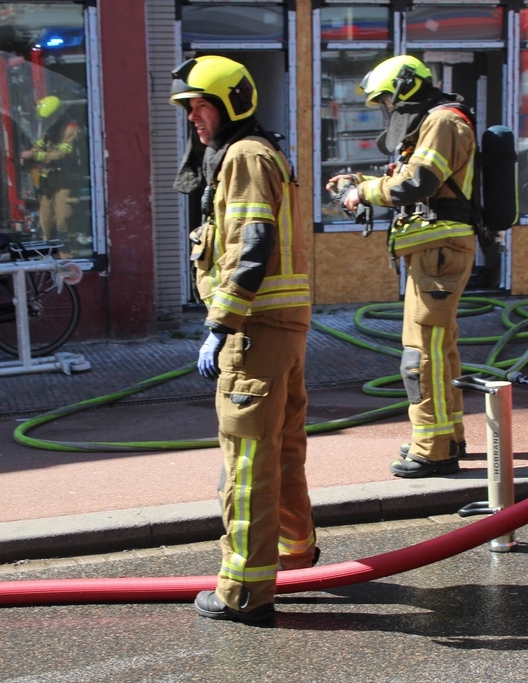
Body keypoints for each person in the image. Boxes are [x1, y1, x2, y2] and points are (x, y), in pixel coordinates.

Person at [169, 55, 316, 624]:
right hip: (275, 327)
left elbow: (251, 245)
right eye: (187, 108)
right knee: (281, 450)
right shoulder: (259, 152)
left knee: (247, 459)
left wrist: (219, 324)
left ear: (229, 103)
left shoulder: (244, 157)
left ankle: (245, 591)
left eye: (199, 106)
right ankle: (294, 554)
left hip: (253, 332)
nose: (192, 119)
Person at [327, 55, 476, 479]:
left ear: (406, 89)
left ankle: (433, 450)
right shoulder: (433, 123)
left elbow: (418, 183)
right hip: (434, 252)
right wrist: (359, 183)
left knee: (420, 353)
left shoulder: (442, 122)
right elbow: (412, 174)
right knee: (438, 349)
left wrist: (364, 192)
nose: (387, 109)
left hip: (440, 252)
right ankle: (447, 435)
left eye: (388, 100)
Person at [19, 95, 82, 242]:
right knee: (46, 224)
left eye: (49, 119)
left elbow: (63, 154)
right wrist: (27, 157)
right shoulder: (49, 132)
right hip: (48, 186)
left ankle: (68, 260)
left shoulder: (70, 130)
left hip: (64, 184)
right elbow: (37, 147)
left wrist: (35, 156)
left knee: (63, 225)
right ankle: (47, 258)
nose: (46, 123)